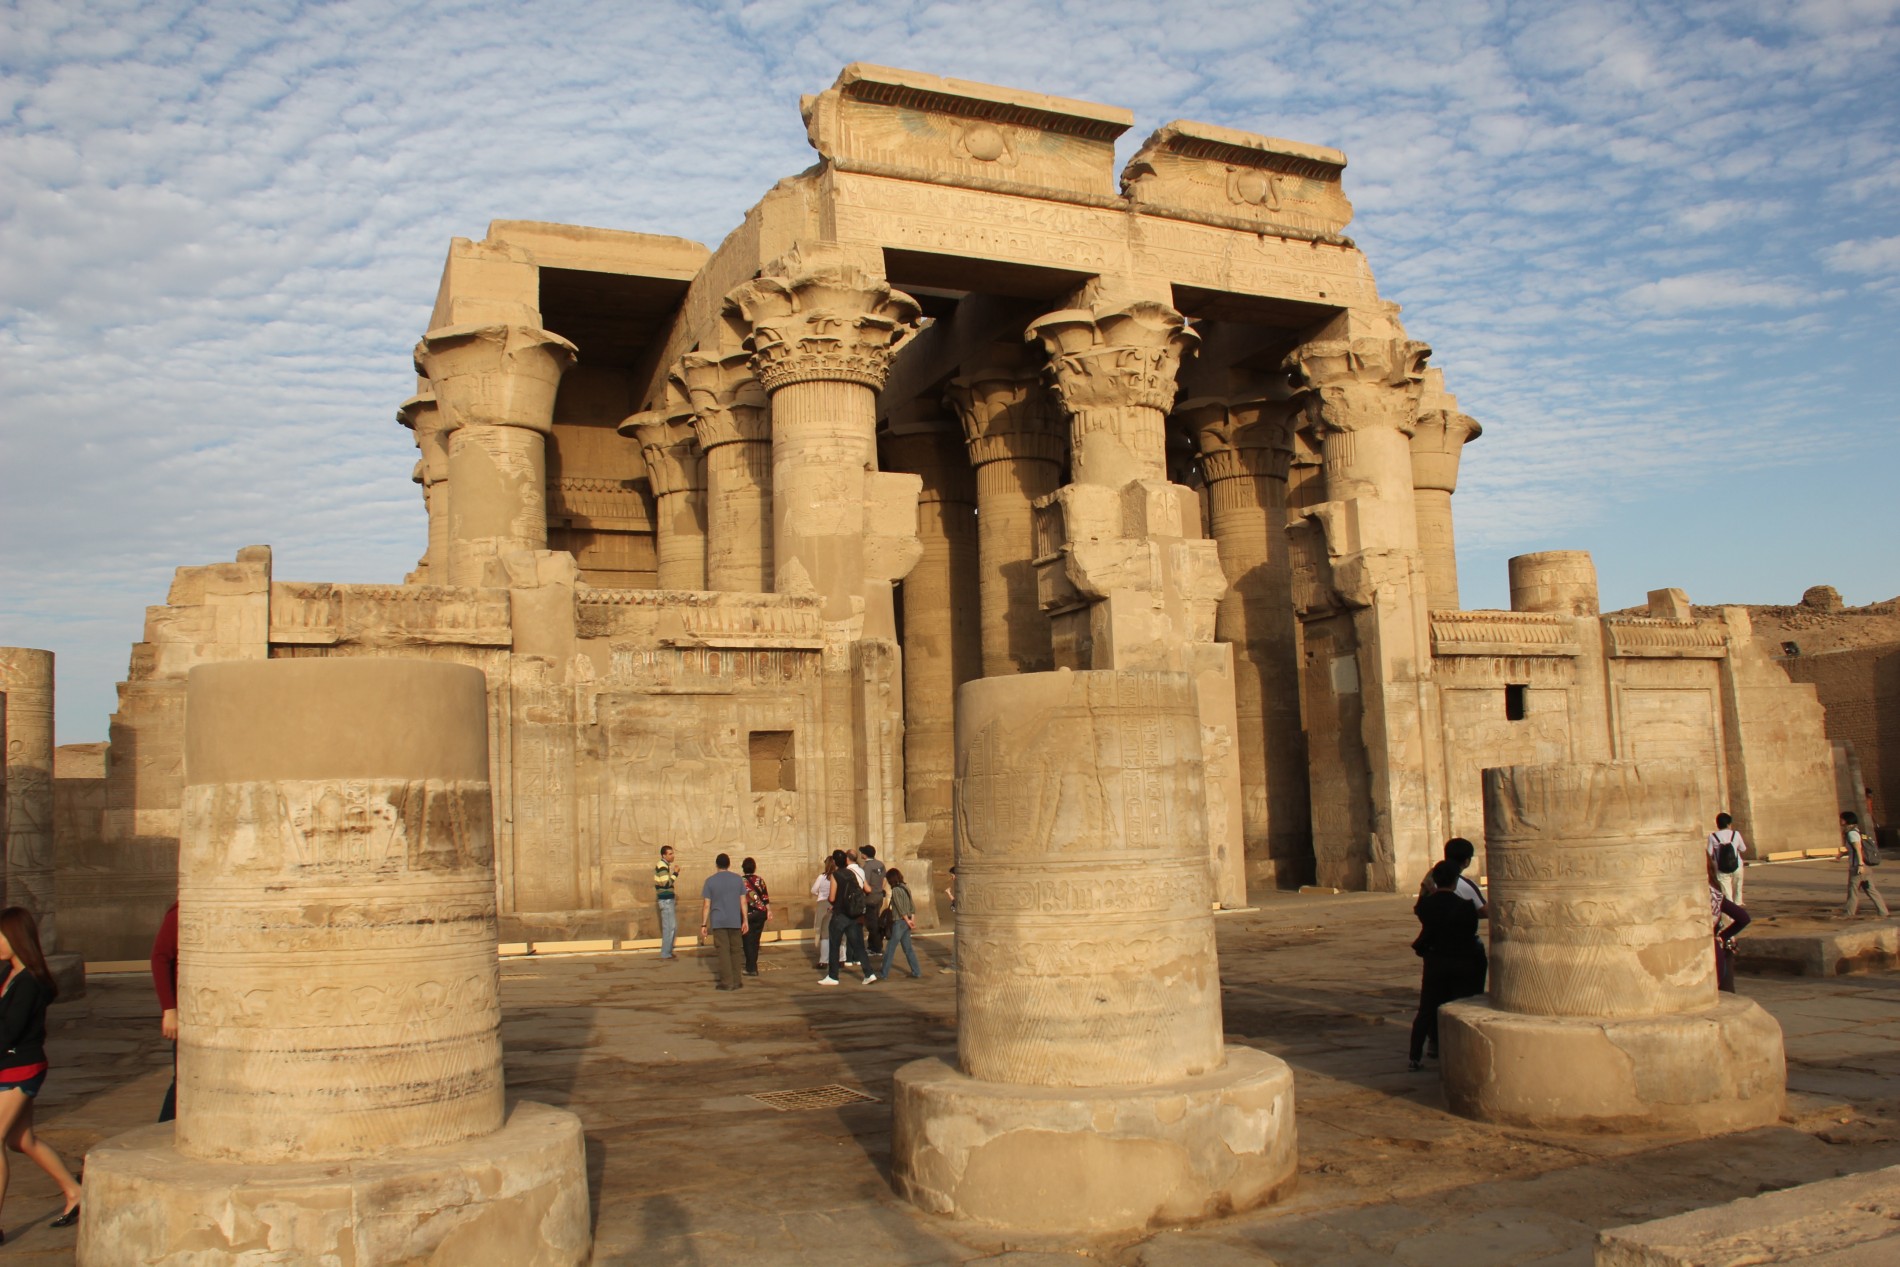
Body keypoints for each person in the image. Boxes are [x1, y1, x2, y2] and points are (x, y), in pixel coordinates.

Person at [0, 907, 82, 1239]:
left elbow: (10, 1031)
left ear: (16, 938)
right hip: (9, 1065)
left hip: (21, 1066)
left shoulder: (30, 982)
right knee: (23, 1140)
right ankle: (75, 1192)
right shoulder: (9, 973)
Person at [1408, 860, 1487, 1072]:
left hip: (1436, 961)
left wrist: (1426, 890)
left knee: (1426, 1009)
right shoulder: (1465, 906)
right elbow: (1470, 931)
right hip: (1462, 960)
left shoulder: (1426, 906)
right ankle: (1465, 1051)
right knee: (1464, 1006)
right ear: (1455, 882)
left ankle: (1414, 1055)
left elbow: (1420, 909)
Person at [818, 850, 872, 985]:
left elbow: (831, 897)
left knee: (834, 944)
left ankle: (833, 976)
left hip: (840, 914)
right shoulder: (851, 873)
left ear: (835, 862)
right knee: (858, 945)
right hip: (853, 914)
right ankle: (869, 973)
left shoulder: (836, 875)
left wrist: (834, 903)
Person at [699, 853, 747, 990]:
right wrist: (745, 920)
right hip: (735, 920)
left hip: (718, 920)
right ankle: (737, 980)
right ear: (729, 864)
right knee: (736, 950)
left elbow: (707, 905)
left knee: (723, 951)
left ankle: (727, 981)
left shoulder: (710, 881)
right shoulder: (738, 880)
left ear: (716, 865)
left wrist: (704, 924)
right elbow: (743, 901)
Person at [152, 900, 179, 1122]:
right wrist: (169, 1009)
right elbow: (160, 958)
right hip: (188, 1011)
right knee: (183, 1078)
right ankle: (163, 1128)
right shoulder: (180, 913)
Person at [1708, 853, 1751, 992]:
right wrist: (1722, 937)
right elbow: (1743, 918)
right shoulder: (1714, 893)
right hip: (1716, 949)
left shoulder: (1704, 892)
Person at [872, 867, 922, 981]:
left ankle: (883, 973)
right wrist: (911, 919)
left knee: (890, 948)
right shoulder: (906, 887)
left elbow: (899, 907)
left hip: (899, 921)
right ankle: (916, 971)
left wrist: (905, 919)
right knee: (908, 948)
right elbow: (911, 904)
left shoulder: (895, 890)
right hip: (907, 920)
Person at [1417, 837, 1486, 916]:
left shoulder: (1431, 877)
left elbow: (1419, 908)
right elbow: (1484, 911)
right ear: (1466, 861)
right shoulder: (1465, 884)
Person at [1840, 811, 1889, 918]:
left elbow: (1858, 848)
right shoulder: (1857, 831)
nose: (1840, 820)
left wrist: (1860, 865)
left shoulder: (1851, 833)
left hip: (1858, 868)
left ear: (1847, 820)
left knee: (1853, 891)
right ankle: (1883, 912)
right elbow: (1855, 849)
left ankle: (1848, 913)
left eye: (1842, 818)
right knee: (1871, 890)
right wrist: (1842, 854)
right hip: (1865, 867)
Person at [1707, 812, 1748, 905]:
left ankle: (1731, 913)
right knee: (1738, 887)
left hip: (1721, 867)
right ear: (1728, 824)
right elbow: (1743, 849)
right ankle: (1738, 904)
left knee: (1727, 892)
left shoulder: (1712, 836)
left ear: (1717, 824)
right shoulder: (1735, 834)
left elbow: (1709, 853)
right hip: (1737, 865)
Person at [740, 857, 771, 977]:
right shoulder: (760, 880)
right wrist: (769, 911)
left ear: (743, 868)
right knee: (756, 940)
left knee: (747, 940)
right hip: (760, 913)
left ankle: (751, 967)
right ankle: (753, 965)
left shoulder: (740, 881)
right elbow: (765, 897)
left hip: (747, 913)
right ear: (754, 867)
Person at [859, 845, 888, 957]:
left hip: (870, 897)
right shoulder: (880, 864)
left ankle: (876, 948)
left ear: (865, 855)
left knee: (872, 924)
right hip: (879, 896)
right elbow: (884, 879)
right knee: (875, 920)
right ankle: (873, 946)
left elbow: (865, 883)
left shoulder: (867, 867)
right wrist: (881, 890)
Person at [654, 845, 681, 960]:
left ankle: (667, 951)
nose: (672, 855)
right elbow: (665, 884)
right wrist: (675, 873)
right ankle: (666, 953)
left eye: (672, 853)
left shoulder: (664, 865)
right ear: (664, 855)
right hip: (666, 900)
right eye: (670, 854)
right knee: (669, 927)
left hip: (667, 899)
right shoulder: (662, 866)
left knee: (671, 927)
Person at [810, 856, 835, 970]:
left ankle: (823, 960)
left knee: (823, 934)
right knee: (835, 932)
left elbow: (813, 890)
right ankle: (841, 958)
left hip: (822, 903)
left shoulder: (822, 877)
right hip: (834, 904)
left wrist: (820, 893)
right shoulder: (837, 876)